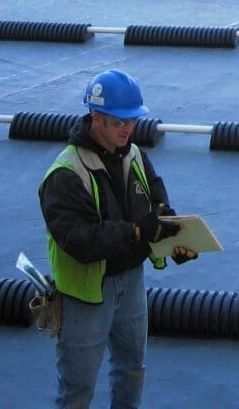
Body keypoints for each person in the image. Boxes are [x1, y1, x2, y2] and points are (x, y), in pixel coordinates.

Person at [39, 69, 197, 409]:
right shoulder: (66, 174)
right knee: (77, 389)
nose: (128, 129)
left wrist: (173, 239)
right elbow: (79, 240)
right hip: (87, 294)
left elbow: (157, 200)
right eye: (119, 123)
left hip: (131, 282)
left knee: (131, 369)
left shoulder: (135, 154)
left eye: (132, 121)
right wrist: (138, 231)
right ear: (96, 118)